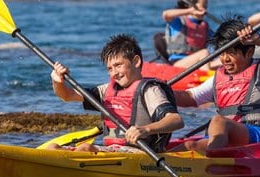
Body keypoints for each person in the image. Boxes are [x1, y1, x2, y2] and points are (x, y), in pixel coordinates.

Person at [173, 17, 260, 152]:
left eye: (231, 53)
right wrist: (161, 91)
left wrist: (259, 41)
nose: (225, 59)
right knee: (189, 146)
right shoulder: (218, 78)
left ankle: (214, 158)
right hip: (226, 139)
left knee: (217, 121)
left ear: (250, 52)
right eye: (221, 53)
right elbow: (190, 97)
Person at [48, 34, 184, 152]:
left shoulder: (149, 90)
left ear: (136, 61)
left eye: (118, 65)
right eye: (110, 68)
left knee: (85, 148)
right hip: (113, 150)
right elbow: (67, 95)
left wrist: (145, 129)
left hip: (142, 153)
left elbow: (176, 120)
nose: (114, 73)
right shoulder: (106, 90)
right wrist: (58, 81)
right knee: (52, 147)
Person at [160, 0, 221, 70]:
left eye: (205, 6)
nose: (204, 10)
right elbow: (165, 14)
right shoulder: (178, 21)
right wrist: (190, 11)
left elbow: (219, 41)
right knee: (204, 53)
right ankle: (209, 80)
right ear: (192, 6)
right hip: (178, 63)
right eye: (202, 6)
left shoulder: (205, 27)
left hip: (197, 63)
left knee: (224, 59)